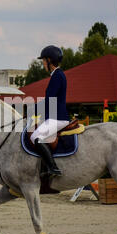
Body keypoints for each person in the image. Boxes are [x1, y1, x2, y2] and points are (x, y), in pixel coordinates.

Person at [30, 45, 69, 177]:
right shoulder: (57, 75)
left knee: (35, 137)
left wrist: (33, 110)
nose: (42, 64)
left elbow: (49, 100)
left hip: (58, 118)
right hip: (54, 116)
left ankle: (52, 168)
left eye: (43, 61)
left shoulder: (57, 76)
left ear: (49, 60)